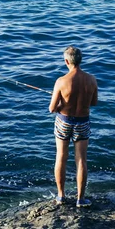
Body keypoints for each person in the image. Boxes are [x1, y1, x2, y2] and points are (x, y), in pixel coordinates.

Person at [48, 46, 98, 208]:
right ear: (80, 60)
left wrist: (63, 102)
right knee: (81, 159)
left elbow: (52, 108)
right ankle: (80, 199)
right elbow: (94, 103)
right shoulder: (92, 80)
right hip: (83, 122)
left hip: (64, 121)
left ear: (66, 61)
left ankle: (61, 196)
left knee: (61, 156)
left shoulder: (61, 81)